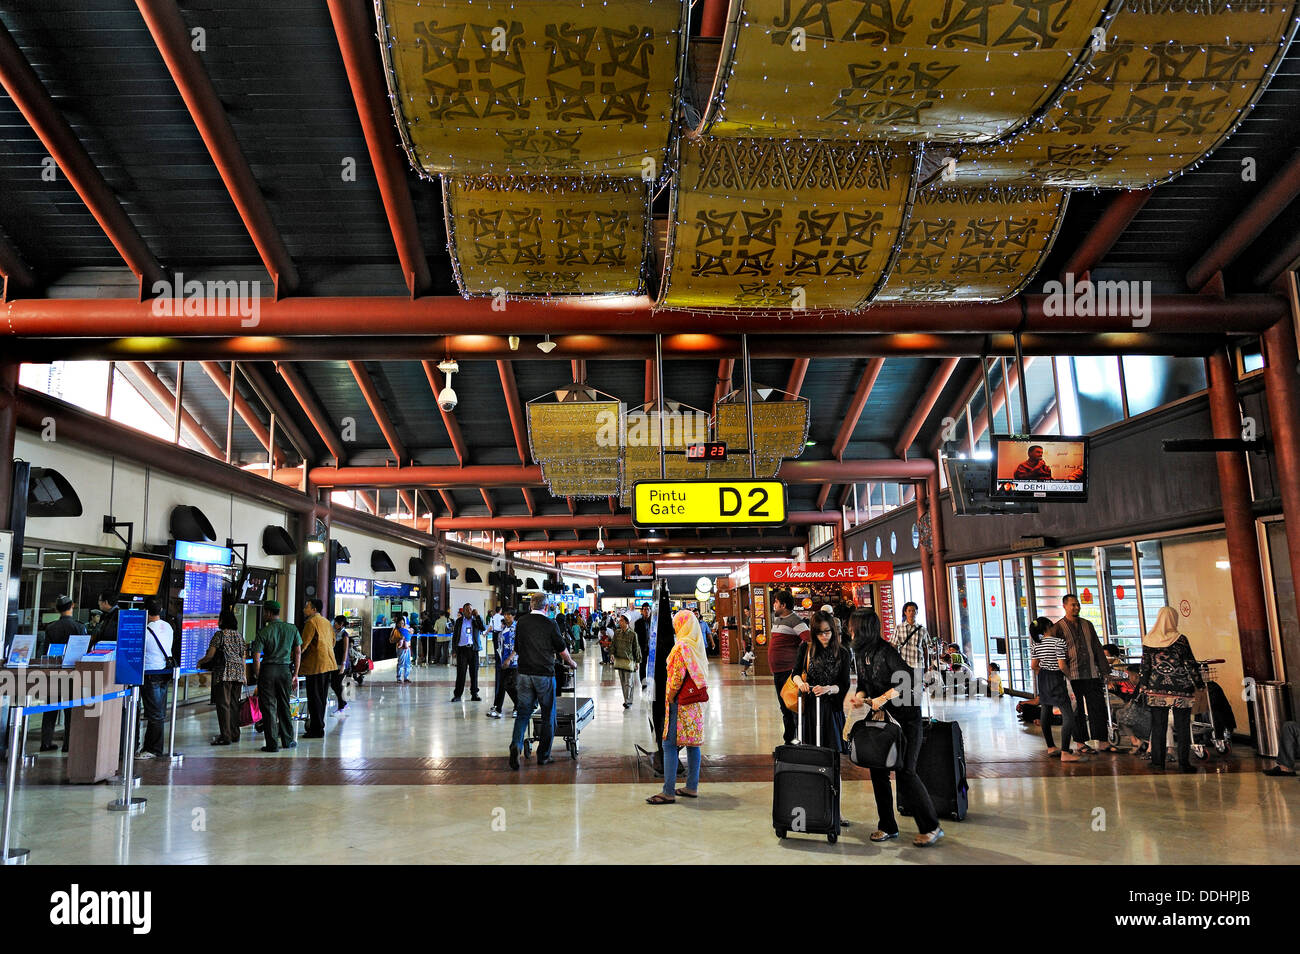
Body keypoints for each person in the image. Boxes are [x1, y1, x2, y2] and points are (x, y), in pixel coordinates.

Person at [848, 607, 944, 847]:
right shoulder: (860, 653)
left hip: (906, 719)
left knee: (906, 771)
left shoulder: (886, 651)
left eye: (852, 626)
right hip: (881, 718)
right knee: (878, 770)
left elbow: (909, 679)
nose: (849, 630)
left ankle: (931, 827)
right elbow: (863, 683)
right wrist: (861, 696)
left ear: (862, 629)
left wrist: (884, 697)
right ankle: (887, 826)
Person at [646, 610, 710, 804]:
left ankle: (668, 791)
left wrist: (671, 697)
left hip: (680, 704)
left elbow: (676, 679)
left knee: (669, 744)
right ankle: (691, 787)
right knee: (692, 744)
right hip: (694, 703)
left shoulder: (681, 647)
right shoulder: (696, 646)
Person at [508, 594, 577, 769]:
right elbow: (562, 649)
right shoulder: (550, 623)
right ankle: (543, 755)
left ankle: (516, 745)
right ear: (546, 607)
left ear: (531, 605)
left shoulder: (522, 622)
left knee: (523, 713)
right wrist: (571, 662)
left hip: (523, 673)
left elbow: (517, 647)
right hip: (544, 674)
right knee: (548, 715)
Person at [1135, 606, 1204, 773]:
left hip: (1156, 688)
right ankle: (1184, 764)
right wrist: (1199, 684)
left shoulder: (1149, 639)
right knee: (1182, 727)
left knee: (1158, 726)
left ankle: (1158, 763)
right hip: (1181, 688)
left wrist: (1143, 686)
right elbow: (1190, 664)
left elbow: (1145, 667)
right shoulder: (1180, 639)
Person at [1054, 594, 1119, 753]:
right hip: (1072, 677)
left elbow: (1097, 648)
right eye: (1073, 605)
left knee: (1098, 707)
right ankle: (1081, 743)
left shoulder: (1087, 625)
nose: (1076, 608)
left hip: (1091, 674)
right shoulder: (1058, 628)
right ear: (1065, 606)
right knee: (1077, 711)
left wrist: (1105, 672)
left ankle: (1103, 741)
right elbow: (1056, 654)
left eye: (1078, 605)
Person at [791, 610, 850, 748]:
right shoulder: (806, 648)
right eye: (819, 632)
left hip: (831, 709)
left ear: (833, 630)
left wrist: (828, 689)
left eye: (827, 631)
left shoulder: (843, 653)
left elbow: (844, 684)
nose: (824, 636)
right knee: (810, 749)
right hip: (809, 707)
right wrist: (801, 684)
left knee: (832, 749)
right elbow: (796, 673)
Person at [1029, 615, 1082, 762]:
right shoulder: (1058, 642)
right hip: (1055, 678)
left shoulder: (1036, 644)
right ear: (1048, 627)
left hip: (1043, 677)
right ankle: (1065, 752)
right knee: (1068, 715)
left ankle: (1051, 747)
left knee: (1045, 709)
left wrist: (1043, 672)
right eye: (1052, 626)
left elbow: (1034, 665)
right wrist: (1070, 676)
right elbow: (1061, 665)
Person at [251, 600, 301, 753]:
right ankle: (288, 740)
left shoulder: (263, 632)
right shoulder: (291, 629)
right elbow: (298, 652)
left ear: (268, 613)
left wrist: (259, 675)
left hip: (268, 670)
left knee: (269, 708)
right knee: (284, 705)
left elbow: (256, 656)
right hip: (285, 671)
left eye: (265, 612)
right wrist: (295, 674)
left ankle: (272, 744)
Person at [37, 595, 84, 752]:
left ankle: (46, 742)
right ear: (73, 606)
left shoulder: (50, 627)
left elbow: (45, 653)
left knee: (50, 709)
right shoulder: (79, 627)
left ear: (57, 609)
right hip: (72, 673)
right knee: (70, 710)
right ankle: (68, 744)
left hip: (53, 673)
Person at [197, 608, 247, 745]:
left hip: (224, 672)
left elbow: (210, 655)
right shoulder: (239, 635)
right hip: (238, 673)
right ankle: (235, 733)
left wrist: (200, 662)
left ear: (223, 620)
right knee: (234, 704)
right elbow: (243, 657)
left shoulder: (220, 635)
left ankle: (225, 736)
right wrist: (244, 674)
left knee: (223, 705)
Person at [768, 588, 809, 745]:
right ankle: (789, 741)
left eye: (776, 602)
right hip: (778, 672)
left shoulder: (796, 621)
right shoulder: (778, 620)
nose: (774, 605)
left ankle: (796, 741)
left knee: (792, 707)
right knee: (784, 707)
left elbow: (809, 641)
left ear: (783, 605)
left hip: (789, 672)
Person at [137, 598, 174, 760]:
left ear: (146, 611)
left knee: (154, 714)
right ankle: (151, 747)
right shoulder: (168, 627)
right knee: (159, 713)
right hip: (164, 672)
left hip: (150, 673)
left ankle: (153, 749)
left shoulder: (145, 630)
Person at [299, 598, 337, 737]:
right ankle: (319, 726)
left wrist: (294, 657)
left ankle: (316, 729)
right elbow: (333, 641)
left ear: (314, 609)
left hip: (315, 665)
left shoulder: (311, 622)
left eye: (307, 607)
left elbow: (303, 644)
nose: (304, 609)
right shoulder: (326, 622)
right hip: (328, 663)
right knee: (321, 696)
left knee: (314, 697)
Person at [891, 601, 931, 696]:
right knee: (904, 690)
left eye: (914, 610)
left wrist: (926, 664)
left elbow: (926, 648)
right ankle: (907, 709)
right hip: (904, 663)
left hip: (918, 663)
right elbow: (893, 646)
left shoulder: (922, 629)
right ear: (905, 612)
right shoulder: (899, 628)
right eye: (909, 610)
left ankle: (917, 709)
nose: (912, 613)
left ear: (917, 612)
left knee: (918, 690)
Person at [451, 603, 484, 701]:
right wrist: (454, 650)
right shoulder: (459, 621)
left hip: (473, 650)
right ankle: (457, 695)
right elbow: (455, 636)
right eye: (466, 609)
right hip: (462, 650)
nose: (468, 611)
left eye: (470, 609)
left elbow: (482, 628)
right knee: (461, 673)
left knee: (474, 673)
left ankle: (474, 694)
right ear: (463, 611)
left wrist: (477, 616)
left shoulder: (475, 620)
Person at [488, 612, 517, 719]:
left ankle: (518, 707)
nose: (507, 617)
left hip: (515, 662)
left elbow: (518, 646)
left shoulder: (517, 629)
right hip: (503, 662)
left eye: (510, 615)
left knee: (512, 686)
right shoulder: (503, 630)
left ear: (514, 616)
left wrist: (510, 659)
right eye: (505, 615)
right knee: (501, 686)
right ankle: (498, 709)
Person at [610, 613, 642, 709]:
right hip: (619, 660)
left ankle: (628, 701)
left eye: (622, 620)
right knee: (623, 682)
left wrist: (637, 662)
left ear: (627, 622)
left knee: (629, 682)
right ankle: (626, 700)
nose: (620, 622)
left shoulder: (633, 635)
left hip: (629, 661)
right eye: (619, 620)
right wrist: (612, 654)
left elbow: (636, 648)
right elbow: (613, 645)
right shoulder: (617, 633)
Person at [329, 615, 351, 711]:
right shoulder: (334, 633)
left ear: (341, 624)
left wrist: (343, 665)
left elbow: (345, 651)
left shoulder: (344, 635)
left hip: (342, 664)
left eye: (336, 623)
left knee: (336, 684)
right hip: (334, 662)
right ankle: (344, 704)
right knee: (334, 684)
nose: (334, 624)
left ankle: (342, 706)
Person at [390, 611, 413, 685]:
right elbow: (391, 640)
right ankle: (399, 678)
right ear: (397, 623)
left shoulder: (406, 629)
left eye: (402, 623)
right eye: (399, 623)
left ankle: (406, 677)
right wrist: (400, 639)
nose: (401, 624)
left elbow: (409, 636)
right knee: (401, 663)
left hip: (407, 648)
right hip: (401, 648)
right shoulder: (395, 630)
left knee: (408, 663)